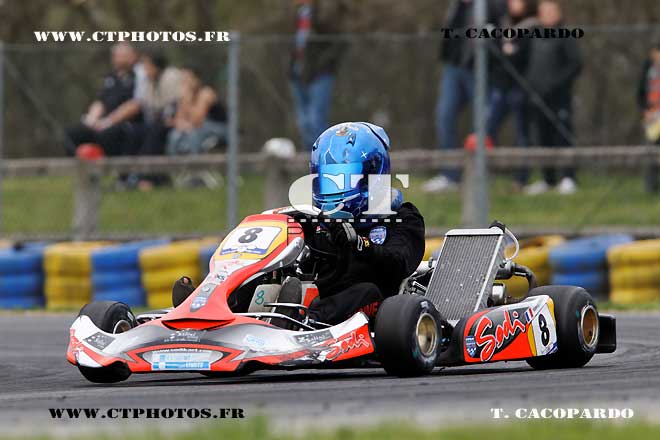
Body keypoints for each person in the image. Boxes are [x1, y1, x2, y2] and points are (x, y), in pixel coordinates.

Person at [301, 122, 425, 324]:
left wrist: (358, 243)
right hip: (317, 297)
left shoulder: (402, 217)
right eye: (328, 181)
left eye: (346, 180)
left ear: (372, 177)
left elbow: (400, 263)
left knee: (367, 292)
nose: (336, 190)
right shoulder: (317, 224)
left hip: (377, 313)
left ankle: (307, 321)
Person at [424, 0, 507, 193]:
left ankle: (481, 173)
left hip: (480, 68)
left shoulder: (493, 5)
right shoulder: (456, 7)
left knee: (482, 123)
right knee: (445, 116)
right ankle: (449, 175)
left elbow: (502, 32)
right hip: (454, 66)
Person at [524, 0, 582, 195]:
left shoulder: (565, 34)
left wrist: (555, 84)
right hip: (537, 97)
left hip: (559, 97)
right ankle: (548, 179)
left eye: (551, 11)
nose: (547, 15)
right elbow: (523, 60)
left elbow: (575, 64)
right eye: (543, 12)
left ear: (558, 13)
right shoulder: (533, 34)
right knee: (543, 138)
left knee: (563, 136)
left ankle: (568, 177)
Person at [486, 0, 538, 191]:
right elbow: (494, 53)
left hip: (520, 88)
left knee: (521, 134)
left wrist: (510, 52)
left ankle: (521, 179)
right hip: (500, 86)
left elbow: (526, 57)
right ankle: (484, 175)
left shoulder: (533, 27)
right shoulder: (502, 23)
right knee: (488, 131)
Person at [66, 42, 142, 156]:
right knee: (73, 133)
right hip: (103, 122)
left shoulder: (139, 76)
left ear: (133, 56)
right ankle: (83, 164)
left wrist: (108, 122)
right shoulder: (111, 78)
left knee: (107, 135)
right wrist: (92, 120)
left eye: (123, 55)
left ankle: (113, 166)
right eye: (117, 55)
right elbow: (100, 101)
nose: (119, 59)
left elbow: (135, 105)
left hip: (126, 124)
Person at [289, 0, 345, 150]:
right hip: (298, 72)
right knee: (303, 121)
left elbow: (336, 42)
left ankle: (322, 154)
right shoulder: (297, 15)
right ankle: (309, 154)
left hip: (319, 74)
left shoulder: (324, 13)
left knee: (316, 120)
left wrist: (323, 66)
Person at [165, 66, 227, 156]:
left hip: (220, 128)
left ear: (196, 80)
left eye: (187, 78)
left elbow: (197, 120)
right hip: (198, 127)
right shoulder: (186, 96)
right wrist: (183, 125)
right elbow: (179, 119)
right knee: (175, 135)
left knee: (193, 133)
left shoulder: (206, 93)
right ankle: (175, 163)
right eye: (182, 79)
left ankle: (196, 161)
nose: (184, 82)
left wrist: (186, 100)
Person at [637, 43, 660, 192]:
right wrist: (645, 110)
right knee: (651, 150)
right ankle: (651, 186)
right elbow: (640, 94)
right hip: (652, 117)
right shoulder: (648, 70)